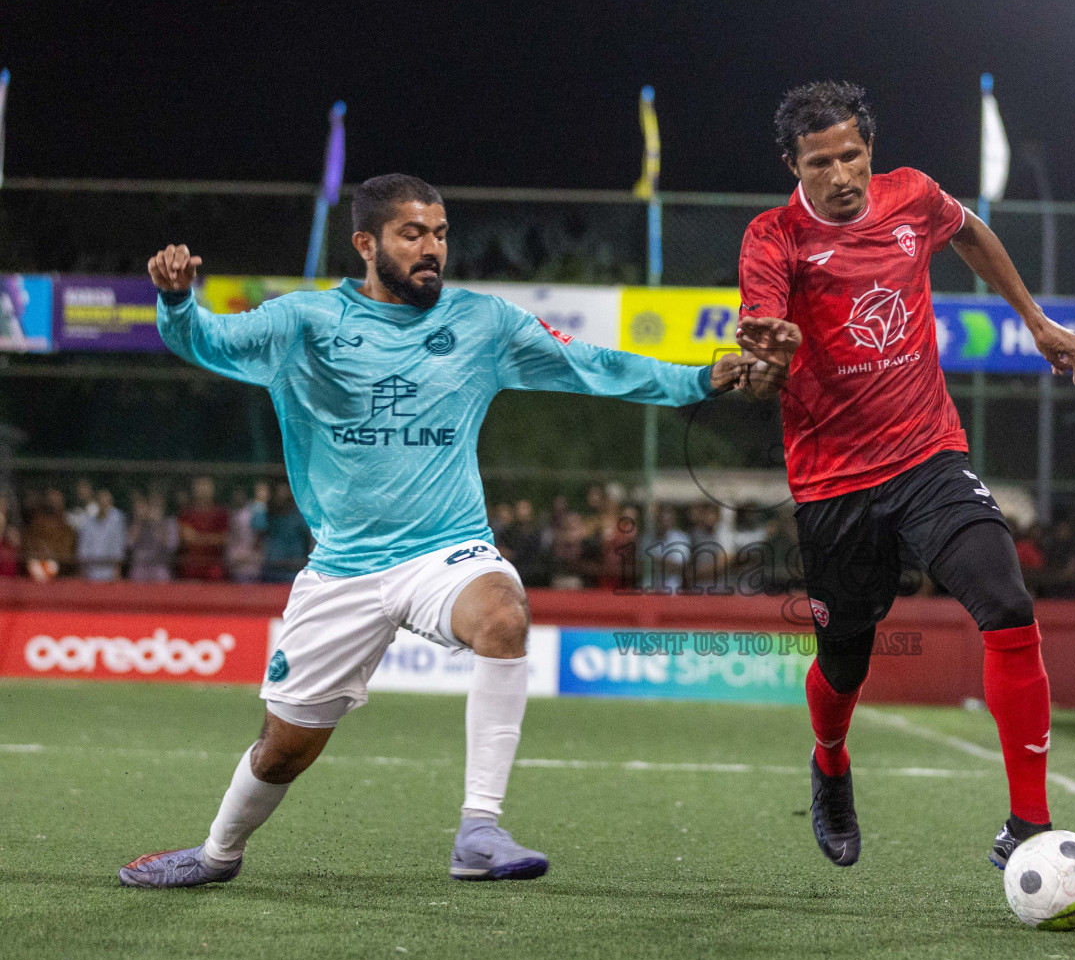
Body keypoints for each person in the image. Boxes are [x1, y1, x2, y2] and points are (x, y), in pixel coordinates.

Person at [120, 173, 756, 889]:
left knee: (504, 615)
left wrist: (698, 380)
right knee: (283, 751)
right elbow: (209, 341)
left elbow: (592, 366)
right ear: (366, 243)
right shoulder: (303, 323)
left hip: (443, 551)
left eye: (441, 234)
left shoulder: (484, 324)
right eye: (413, 234)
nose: (432, 249)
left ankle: (478, 830)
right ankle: (216, 855)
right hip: (343, 570)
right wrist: (177, 302)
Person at [734, 81, 1075, 876]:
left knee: (1006, 601)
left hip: (928, 455)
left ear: (869, 147)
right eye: (820, 161)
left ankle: (1028, 823)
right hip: (833, 486)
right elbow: (762, 352)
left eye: (852, 153)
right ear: (793, 164)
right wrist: (769, 357)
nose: (841, 173)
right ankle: (830, 761)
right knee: (844, 664)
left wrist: (1033, 318)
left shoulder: (914, 197)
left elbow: (972, 234)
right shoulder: (773, 238)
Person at [176, 476, 229, 580]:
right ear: (194, 489)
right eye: (200, 486)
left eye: (206, 486)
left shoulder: (220, 514)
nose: (203, 489)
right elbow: (186, 538)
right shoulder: (186, 513)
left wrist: (197, 537)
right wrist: (212, 538)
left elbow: (223, 539)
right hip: (191, 569)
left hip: (214, 569)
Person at [259, 483, 311, 584]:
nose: (281, 496)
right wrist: (261, 502)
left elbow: (309, 539)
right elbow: (259, 533)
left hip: (294, 569)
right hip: (271, 568)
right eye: (279, 493)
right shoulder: (268, 515)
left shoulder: (300, 515)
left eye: (285, 493)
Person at [75, 488, 127, 582]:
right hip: (91, 572)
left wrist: (117, 570)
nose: (104, 504)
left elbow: (118, 547)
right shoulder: (87, 522)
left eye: (106, 502)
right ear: (97, 502)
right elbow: (83, 548)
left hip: (109, 572)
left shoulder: (116, 521)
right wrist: (83, 571)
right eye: (101, 501)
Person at [127, 492, 180, 583]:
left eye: (157, 506)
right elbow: (129, 544)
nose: (153, 509)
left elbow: (171, 546)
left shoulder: (170, 522)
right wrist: (139, 521)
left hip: (161, 568)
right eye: (151, 505)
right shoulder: (134, 523)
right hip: (139, 568)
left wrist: (158, 524)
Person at [226, 482, 270, 584]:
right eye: (235, 494)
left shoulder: (255, 511)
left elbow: (260, 538)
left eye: (240, 494)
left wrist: (249, 556)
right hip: (235, 563)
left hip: (251, 564)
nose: (237, 497)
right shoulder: (232, 513)